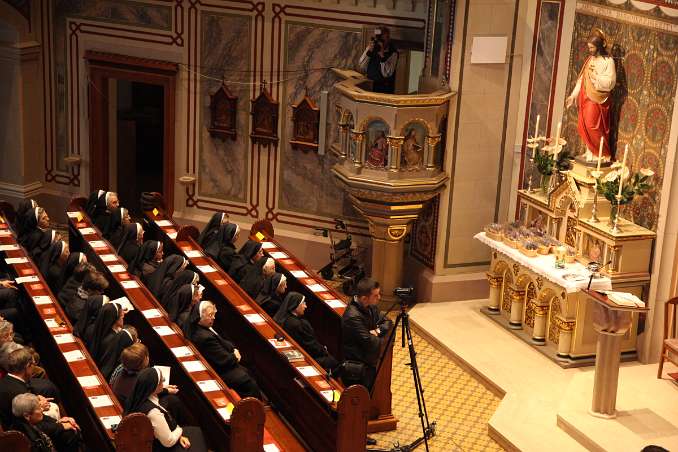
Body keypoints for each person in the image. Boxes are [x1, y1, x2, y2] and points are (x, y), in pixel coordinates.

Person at [0, 349, 82, 452]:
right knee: (70, 433)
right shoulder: (19, 393)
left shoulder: (7, 382)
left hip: (22, 425)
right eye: (33, 364)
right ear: (27, 367)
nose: (34, 368)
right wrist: (60, 425)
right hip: (20, 434)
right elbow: (32, 425)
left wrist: (57, 422)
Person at [183, 301, 261, 400]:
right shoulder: (205, 338)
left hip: (220, 362)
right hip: (219, 370)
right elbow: (224, 361)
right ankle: (253, 409)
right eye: (210, 315)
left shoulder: (199, 325)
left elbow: (223, 341)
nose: (214, 317)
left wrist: (232, 349)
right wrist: (235, 356)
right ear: (200, 317)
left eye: (213, 314)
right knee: (248, 381)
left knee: (248, 372)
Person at [125, 367, 207, 451]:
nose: (164, 381)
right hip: (158, 446)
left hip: (149, 436)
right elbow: (168, 441)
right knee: (197, 433)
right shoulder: (153, 412)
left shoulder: (138, 393)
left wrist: (166, 389)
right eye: (161, 381)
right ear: (153, 387)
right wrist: (179, 430)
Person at [566, 29, 616, 161]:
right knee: (585, 125)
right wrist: (573, 95)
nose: (590, 50)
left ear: (599, 46)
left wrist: (596, 78)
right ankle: (590, 151)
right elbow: (582, 79)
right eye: (589, 47)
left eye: (592, 47)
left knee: (593, 126)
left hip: (598, 100)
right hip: (585, 98)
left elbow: (611, 82)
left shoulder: (608, 61)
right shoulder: (590, 59)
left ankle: (601, 154)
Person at [110, 343, 186, 425]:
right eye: (147, 356)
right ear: (144, 361)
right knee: (173, 400)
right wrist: (166, 390)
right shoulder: (139, 379)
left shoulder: (122, 369)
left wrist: (164, 388)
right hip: (136, 413)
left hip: (128, 405)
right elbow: (147, 394)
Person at [341, 278, 392, 390]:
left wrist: (377, 331)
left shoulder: (370, 306)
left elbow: (388, 321)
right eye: (376, 295)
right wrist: (382, 340)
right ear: (364, 298)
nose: (379, 298)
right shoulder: (352, 316)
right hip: (358, 366)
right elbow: (369, 342)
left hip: (369, 362)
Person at [274, 292, 339, 373]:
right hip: (307, 357)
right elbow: (311, 346)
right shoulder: (298, 324)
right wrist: (324, 350)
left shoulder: (284, 318)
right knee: (333, 362)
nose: (305, 306)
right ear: (296, 305)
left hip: (300, 351)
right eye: (303, 303)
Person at [10, 393, 79, 452]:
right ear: (27, 416)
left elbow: (46, 421)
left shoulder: (29, 418)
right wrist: (61, 426)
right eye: (38, 408)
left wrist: (62, 421)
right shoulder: (29, 439)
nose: (42, 410)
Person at [89, 303, 133, 379]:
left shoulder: (97, 328)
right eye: (121, 316)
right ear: (114, 319)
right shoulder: (112, 340)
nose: (123, 316)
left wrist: (119, 312)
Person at [358, 26, 398, 94]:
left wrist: (382, 56)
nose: (381, 42)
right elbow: (361, 65)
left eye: (383, 39)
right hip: (369, 86)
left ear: (388, 38)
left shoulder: (393, 53)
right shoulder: (372, 47)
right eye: (379, 39)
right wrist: (369, 52)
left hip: (384, 89)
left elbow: (387, 73)